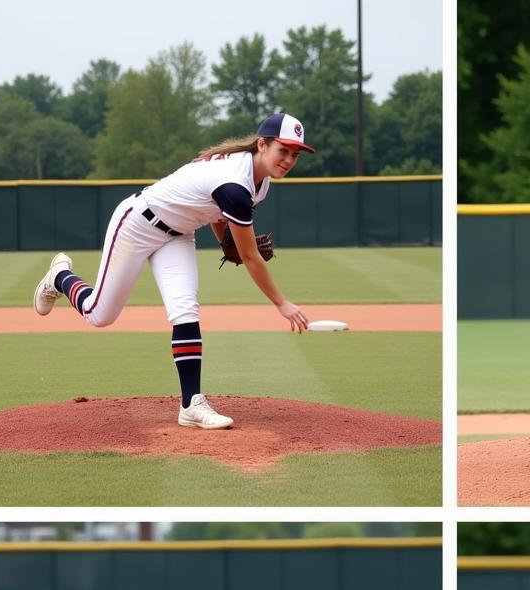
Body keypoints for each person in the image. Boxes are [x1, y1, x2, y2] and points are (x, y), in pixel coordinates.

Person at [31, 113, 316, 430]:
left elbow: (217, 213)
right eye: (284, 150)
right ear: (262, 144)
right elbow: (250, 256)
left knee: (185, 309)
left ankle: (191, 404)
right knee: (100, 314)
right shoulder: (236, 183)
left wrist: (224, 240)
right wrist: (282, 303)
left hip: (178, 234)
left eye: (295, 153)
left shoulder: (257, 182)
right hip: (138, 224)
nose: (289, 159)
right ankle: (59, 277)